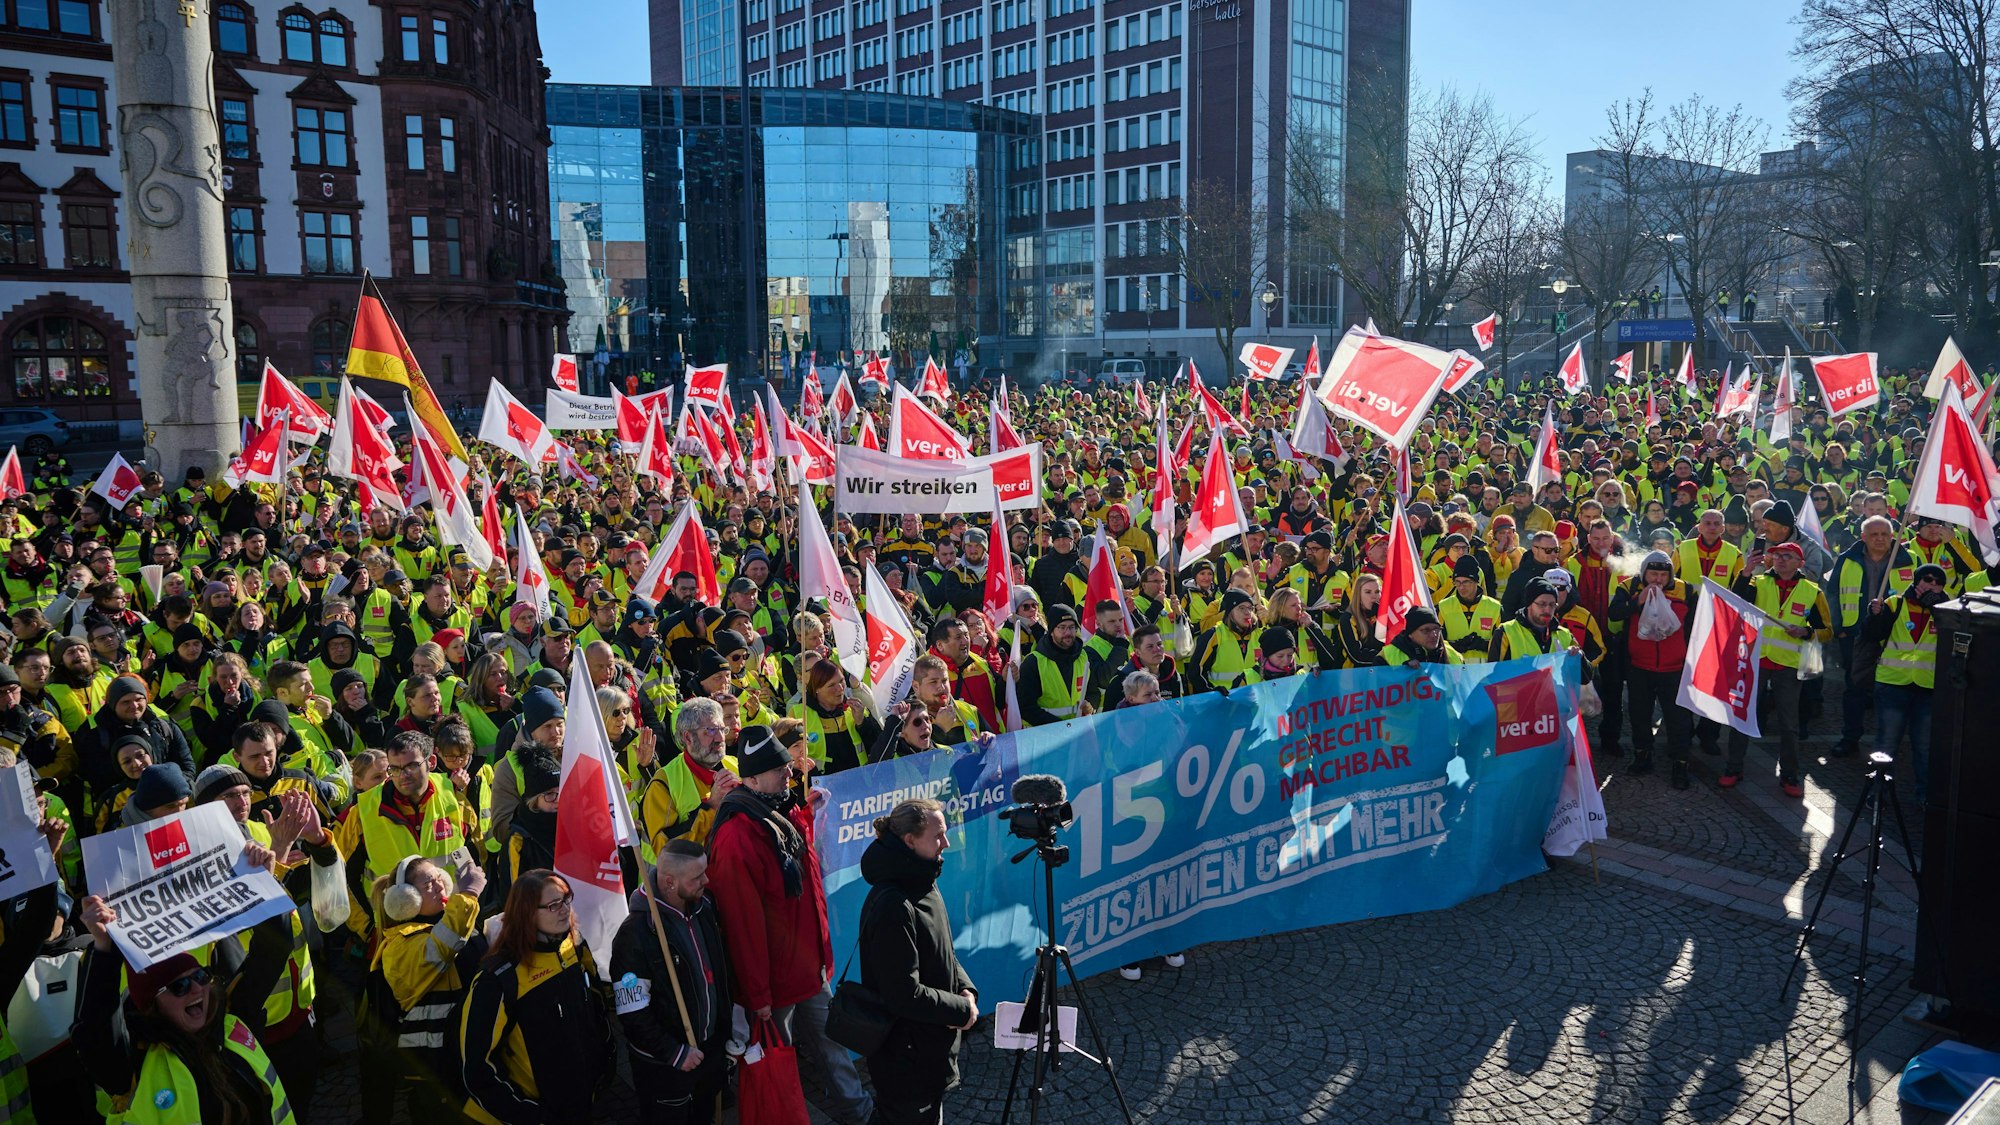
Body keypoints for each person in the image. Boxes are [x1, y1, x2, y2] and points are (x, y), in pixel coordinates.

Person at [707, 725, 872, 1124]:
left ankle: (861, 1113)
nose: (789, 773)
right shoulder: (735, 836)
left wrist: (806, 814)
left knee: (833, 1045)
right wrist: (758, 994)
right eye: (779, 768)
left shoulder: (772, 811)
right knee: (776, 1064)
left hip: (806, 969)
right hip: (775, 985)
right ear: (751, 779)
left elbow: (791, 859)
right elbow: (742, 925)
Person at [459, 870, 615, 1125]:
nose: (565, 909)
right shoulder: (497, 978)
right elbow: (477, 1070)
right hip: (540, 1112)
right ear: (527, 913)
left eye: (566, 899)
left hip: (584, 1103)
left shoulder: (573, 944)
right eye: (553, 905)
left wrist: (607, 1054)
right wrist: (531, 1116)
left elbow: (595, 1007)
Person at [856, 799, 976, 1125]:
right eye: (938, 836)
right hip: (907, 1061)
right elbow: (902, 993)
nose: (946, 844)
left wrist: (964, 988)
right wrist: (960, 1010)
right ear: (910, 841)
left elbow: (941, 947)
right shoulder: (894, 905)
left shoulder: (922, 878)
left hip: (927, 1051)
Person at [609, 839, 733, 1125]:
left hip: (708, 1053)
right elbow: (632, 1012)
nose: (707, 880)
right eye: (697, 877)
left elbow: (720, 970)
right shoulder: (635, 935)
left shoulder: (704, 906)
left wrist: (728, 1024)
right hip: (667, 1067)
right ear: (669, 882)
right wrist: (674, 1053)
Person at [365, 853, 488, 1125]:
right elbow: (439, 950)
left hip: (465, 1054)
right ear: (406, 898)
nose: (440, 886)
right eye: (428, 883)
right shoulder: (398, 945)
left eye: (438, 878)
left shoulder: (449, 922)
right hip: (436, 1067)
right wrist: (468, 893)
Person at [1609, 550, 1695, 788]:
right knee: (1639, 715)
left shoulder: (1686, 590)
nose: (1658, 579)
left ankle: (1680, 763)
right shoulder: (1629, 587)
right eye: (1653, 574)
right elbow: (1614, 614)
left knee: (1678, 719)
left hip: (1675, 667)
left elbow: (1696, 626)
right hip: (1639, 666)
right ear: (1643, 573)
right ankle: (1642, 755)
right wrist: (1638, 601)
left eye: (1663, 575)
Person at [1864, 563, 1946, 804]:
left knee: (1924, 745)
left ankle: (1925, 796)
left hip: (1927, 687)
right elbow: (1871, 635)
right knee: (1887, 742)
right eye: (1927, 579)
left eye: (1938, 582)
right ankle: (1878, 791)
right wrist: (1874, 615)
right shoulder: (1895, 603)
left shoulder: (1946, 608)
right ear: (1916, 581)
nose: (1932, 585)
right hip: (1892, 684)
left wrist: (1937, 609)